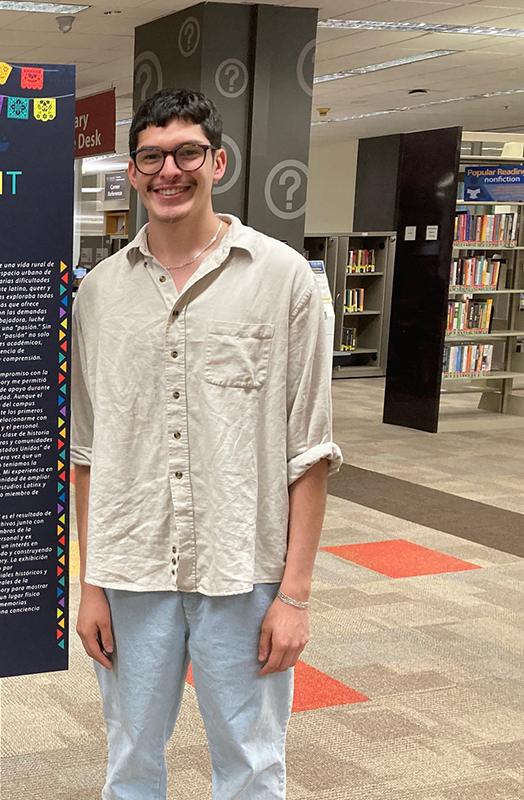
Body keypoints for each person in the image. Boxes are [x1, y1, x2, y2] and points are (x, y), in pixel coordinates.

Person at [70, 88, 342, 800]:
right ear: (132, 171)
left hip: (244, 571)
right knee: (130, 760)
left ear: (217, 161)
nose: (170, 171)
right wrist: (90, 582)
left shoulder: (286, 281)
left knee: (251, 765)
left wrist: (296, 596)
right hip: (130, 571)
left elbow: (309, 451)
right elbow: (89, 452)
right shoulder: (97, 294)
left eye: (187, 152)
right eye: (152, 157)